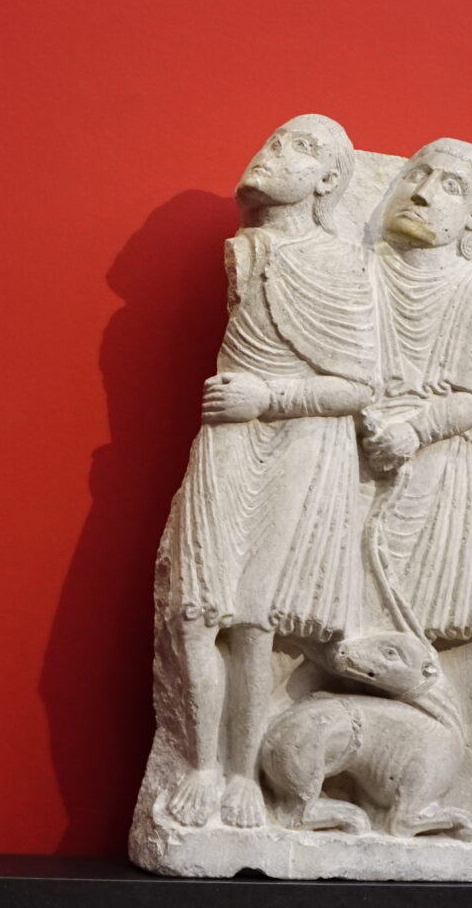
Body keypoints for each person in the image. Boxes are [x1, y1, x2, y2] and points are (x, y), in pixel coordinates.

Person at [152, 114, 380, 829]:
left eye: (301, 147)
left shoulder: (341, 263)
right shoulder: (246, 249)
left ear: (329, 179)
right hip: (226, 437)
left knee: (253, 621)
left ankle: (241, 775)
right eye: (276, 139)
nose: (274, 151)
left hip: (295, 441)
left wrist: (269, 398)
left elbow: (358, 384)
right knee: (194, 612)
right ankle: (201, 765)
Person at [359, 138, 472, 649]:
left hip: (437, 463)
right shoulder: (358, 269)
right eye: (416, 175)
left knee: (403, 623)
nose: (422, 193)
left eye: (451, 186)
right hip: (356, 446)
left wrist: (414, 431)